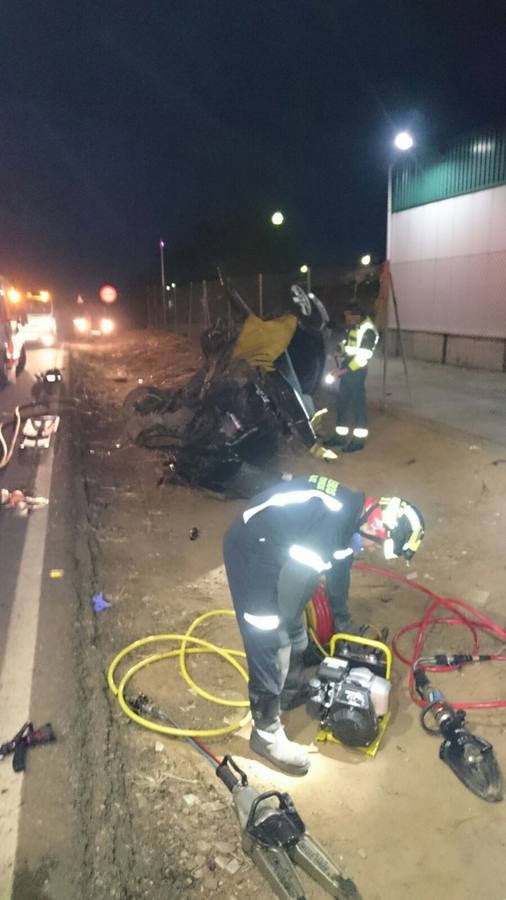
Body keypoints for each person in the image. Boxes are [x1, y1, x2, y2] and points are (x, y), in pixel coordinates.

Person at [223, 473, 424, 775]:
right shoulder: (329, 527)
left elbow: (337, 575)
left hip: (277, 544)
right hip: (252, 548)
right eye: (376, 544)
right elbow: (294, 592)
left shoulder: (350, 522)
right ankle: (264, 733)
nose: (371, 550)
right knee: (270, 637)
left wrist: (342, 624)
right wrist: (284, 632)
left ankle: (289, 693)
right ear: (373, 524)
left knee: (296, 635)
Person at [331, 304, 379, 452]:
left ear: (356, 315)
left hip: (357, 369)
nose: (346, 319)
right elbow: (349, 345)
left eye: (348, 316)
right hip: (348, 365)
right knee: (342, 404)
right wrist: (340, 350)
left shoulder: (368, 330)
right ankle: (340, 436)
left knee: (358, 406)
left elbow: (363, 357)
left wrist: (344, 371)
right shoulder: (355, 326)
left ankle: (358, 441)